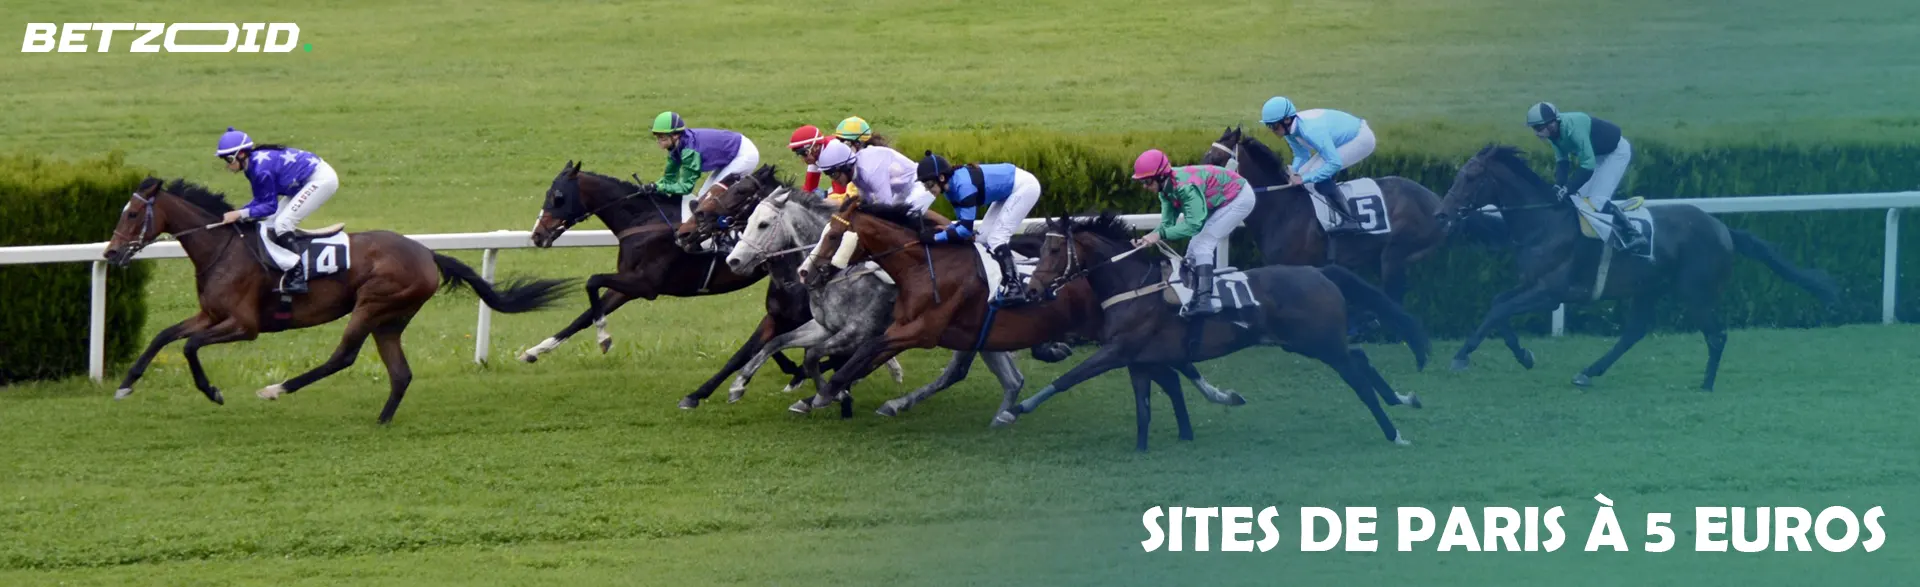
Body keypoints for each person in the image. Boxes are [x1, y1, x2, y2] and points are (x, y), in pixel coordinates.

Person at [1128, 149, 1256, 316]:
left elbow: (1194, 225)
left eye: (1147, 182)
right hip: (1220, 200)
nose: (1145, 187)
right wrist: (1148, 238)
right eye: (1143, 183)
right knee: (1191, 253)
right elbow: (1167, 224)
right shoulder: (1165, 192)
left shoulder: (1185, 188)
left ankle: (1205, 302)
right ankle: (1193, 298)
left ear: (1161, 177)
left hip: (1239, 197)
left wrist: (1159, 235)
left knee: (1203, 244)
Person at [214, 127, 337, 295]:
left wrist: (240, 214)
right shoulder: (253, 165)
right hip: (303, 182)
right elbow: (262, 201)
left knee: (283, 223)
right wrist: (240, 212)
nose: (227, 165)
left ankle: (297, 274)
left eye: (228, 159)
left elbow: (269, 207)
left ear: (241, 154)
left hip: (320, 180)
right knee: (269, 225)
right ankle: (283, 268)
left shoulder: (260, 169)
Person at [916, 151, 1043, 302]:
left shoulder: (963, 186)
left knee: (997, 239)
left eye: (929, 185)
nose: (928, 190)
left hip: (1024, 186)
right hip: (1007, 191)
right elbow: (963, 227)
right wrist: (944, 232)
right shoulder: (950, 191)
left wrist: (936, 238)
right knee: (982, 239)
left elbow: (965, 230)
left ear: (941, 178)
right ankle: (998, 280)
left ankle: (1015, 287)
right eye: (925, 186)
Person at [1527, 101, 1646, 252]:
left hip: (1616, 153)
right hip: (1598, 155)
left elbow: (1588, 166)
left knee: (1597, 199)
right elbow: (1563, 162)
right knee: (1578, 199)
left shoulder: (1573, 129)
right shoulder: (1554, 135)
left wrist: (1567, 188)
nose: (1536, 133)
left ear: (1551, 124)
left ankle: (1634, 234)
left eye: (1538, 128)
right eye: (1534, 128)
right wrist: (1558, 186)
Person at [1260, 96, 1373, 233]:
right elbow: (1302, 155)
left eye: (1274, 126)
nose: (1273, 131)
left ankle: (1349, 220)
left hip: (1360, 138)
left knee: (1313, 178)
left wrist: (1303, 178)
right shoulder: (1290, 131)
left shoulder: (1311, 130)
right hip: (1340, 139)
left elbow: (1334, 163)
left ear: (1287, 120)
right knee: (1304, 174)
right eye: (1269, 126)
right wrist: (1293, 171)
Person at [649, 111, 761, 222]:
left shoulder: (690, 152)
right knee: (702, 197)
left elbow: (686, 187)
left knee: (713, 197)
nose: (659, 141)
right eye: (657, 137)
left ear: (675, 135)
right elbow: (669, 178)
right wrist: (652, 187)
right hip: (731, 152)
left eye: (662, 137)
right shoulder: (676, 147)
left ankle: (737, 222)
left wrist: (658, 187)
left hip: (744, 155)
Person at [812, 139, 938, 214]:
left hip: (921, 185)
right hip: (902, 189)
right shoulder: (856, 173)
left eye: (834, 174)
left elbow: (886, 207)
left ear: (845, 167)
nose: (833, 180)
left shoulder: (869, 171)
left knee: (902, 220)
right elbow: (868, 202)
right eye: (829, 175)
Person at [788, 125, 847, 197]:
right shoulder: (816, 154)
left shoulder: (830, 155)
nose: (803, 159)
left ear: (816, 146)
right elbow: (809, 189)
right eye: (800, 154)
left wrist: (824, 197)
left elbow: (841, 193)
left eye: (804, 153)